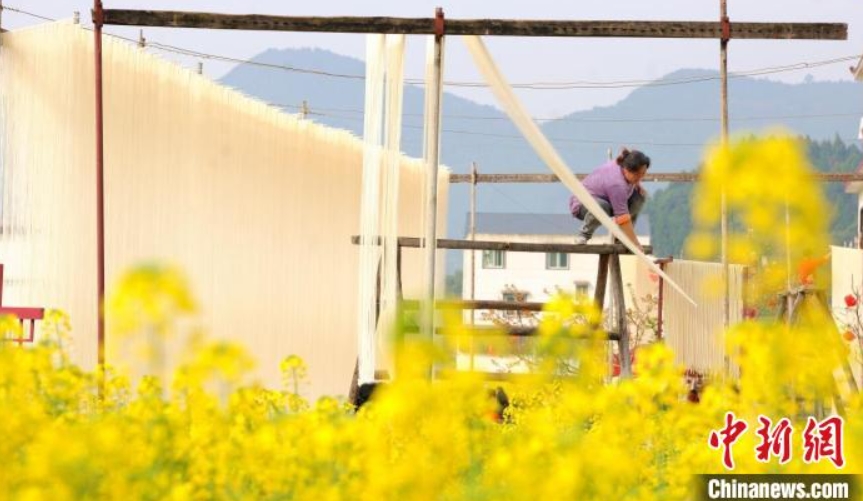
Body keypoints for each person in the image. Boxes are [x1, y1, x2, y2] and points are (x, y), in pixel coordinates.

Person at [569, 148, 650, 250]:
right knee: (603, 206)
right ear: (626, 170)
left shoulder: (622, 162)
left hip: (607, 200)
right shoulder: (617, 185)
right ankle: (583, 234)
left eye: (643, 173)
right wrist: (636, 244)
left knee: (639, 196)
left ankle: (622, 238)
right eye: (637, 174)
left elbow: (632, 168)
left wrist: (637, 184)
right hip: (582, 205)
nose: (640, 177)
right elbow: (623, 218)